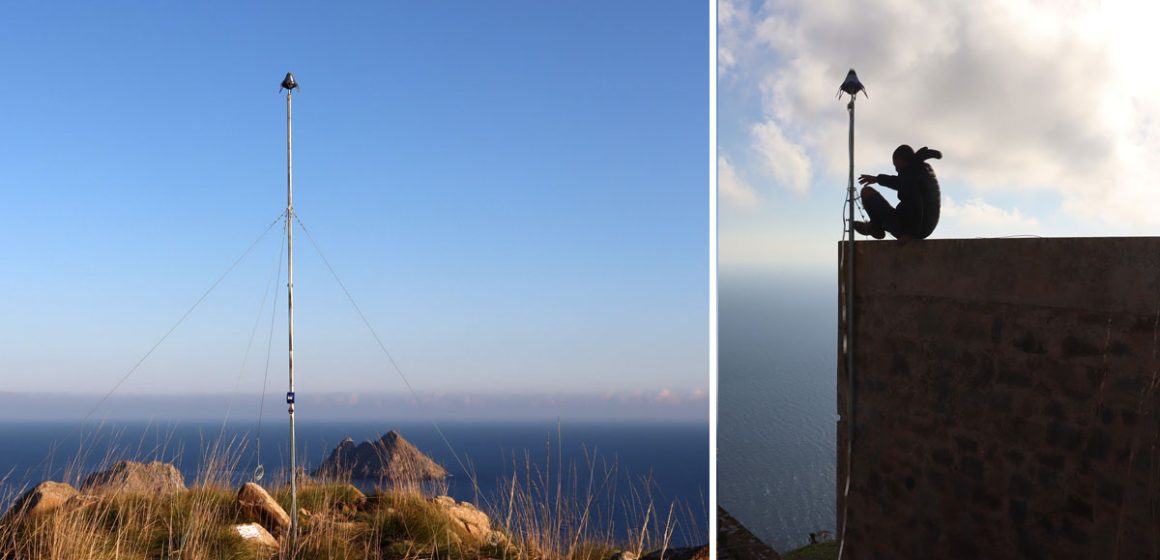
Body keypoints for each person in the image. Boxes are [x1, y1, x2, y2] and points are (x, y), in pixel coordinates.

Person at [853, 144, 942, 240]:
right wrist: (877, 179)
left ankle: (876, 228)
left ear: (903, 161)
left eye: (896, 165)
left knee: (867, 192)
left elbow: (916, 204)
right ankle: (876, 226)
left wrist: (911, 234)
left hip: (910, 229)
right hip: (924, 227)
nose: (896, 169)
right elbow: (900, 183)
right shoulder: (919, 169)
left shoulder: (909, 176)